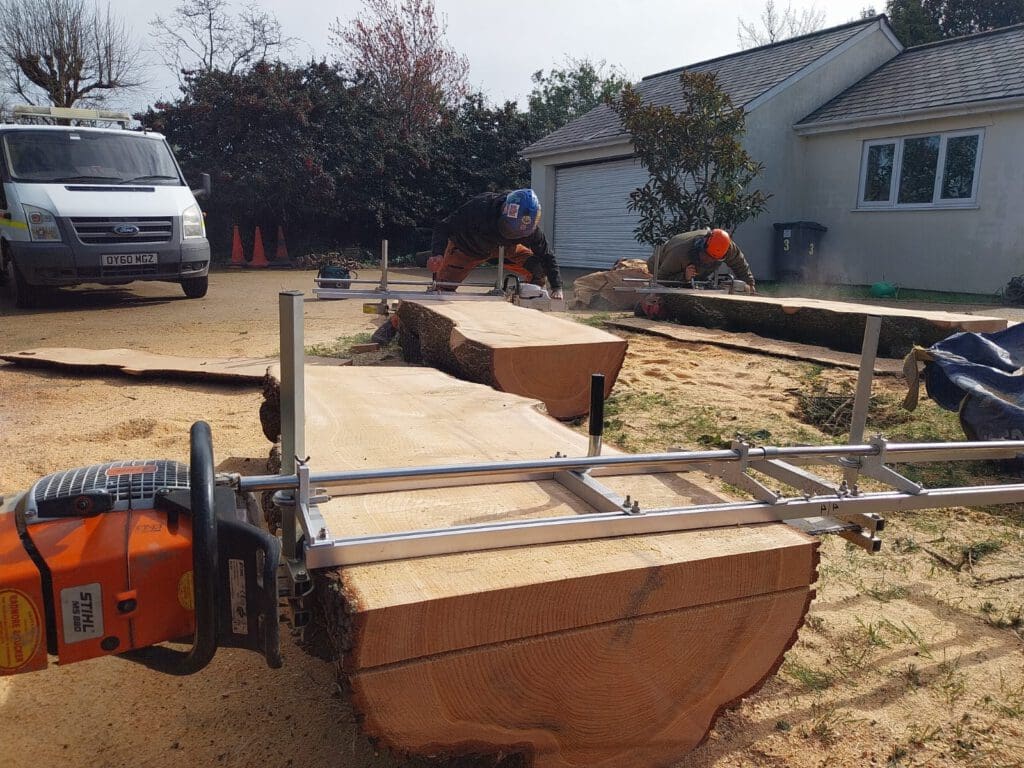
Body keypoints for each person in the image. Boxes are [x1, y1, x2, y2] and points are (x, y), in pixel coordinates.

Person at [428, 188, 564, 299]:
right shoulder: (480, 207)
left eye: (517, 234)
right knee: (442, 291)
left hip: (506, 249)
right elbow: (443, 227)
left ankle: (529, 301)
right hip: (467, 249)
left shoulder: (531, 230)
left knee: (538, 269)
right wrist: (438, 254)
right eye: (509, 229)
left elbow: (546, 256)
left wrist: (557, 287)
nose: (512, 234)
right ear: (504, 210)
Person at [648, 228, 756, 292]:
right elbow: (661, 279)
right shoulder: (679, 253)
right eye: (707, 256)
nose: (709, 261)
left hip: (695, 275)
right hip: (659, 266)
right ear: (701, 246)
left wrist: (749, 285)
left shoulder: (725, 247)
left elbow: (740, 264)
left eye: (714, 259)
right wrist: (684, 277)